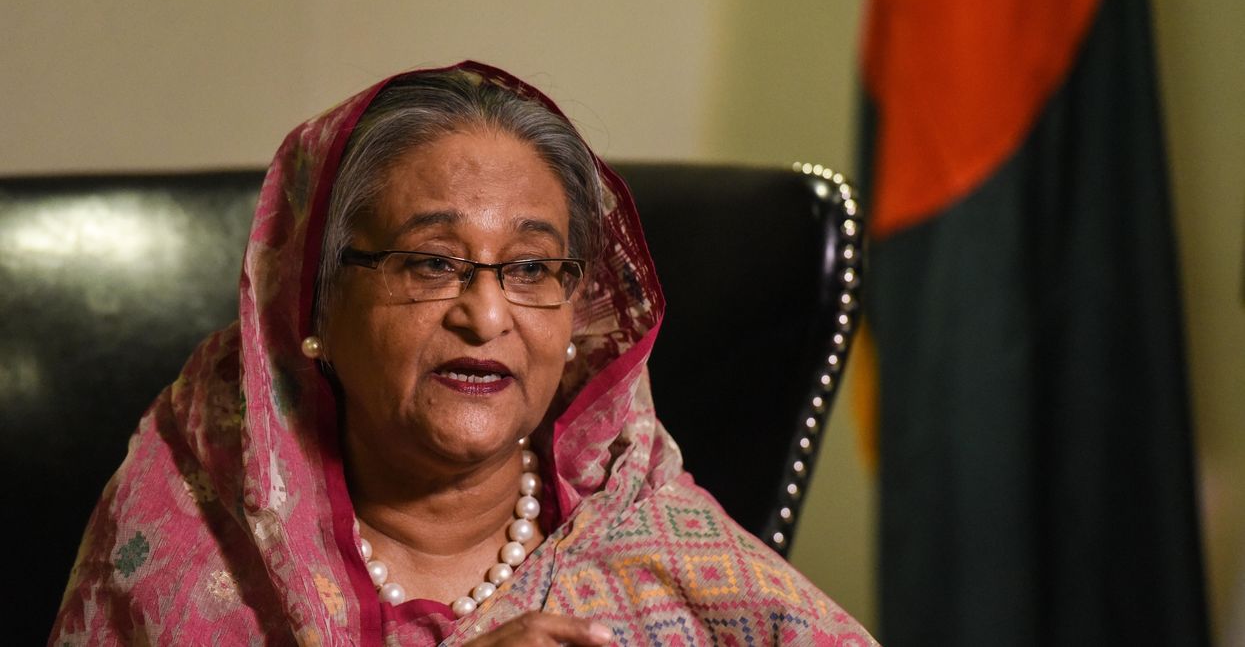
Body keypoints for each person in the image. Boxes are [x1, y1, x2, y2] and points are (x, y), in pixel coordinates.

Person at [50, 62, 876, 645]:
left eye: (531, 269)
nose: (486, 316)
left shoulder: (655, 547)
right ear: (316, 306)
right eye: (432, 262)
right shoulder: (190, 520)